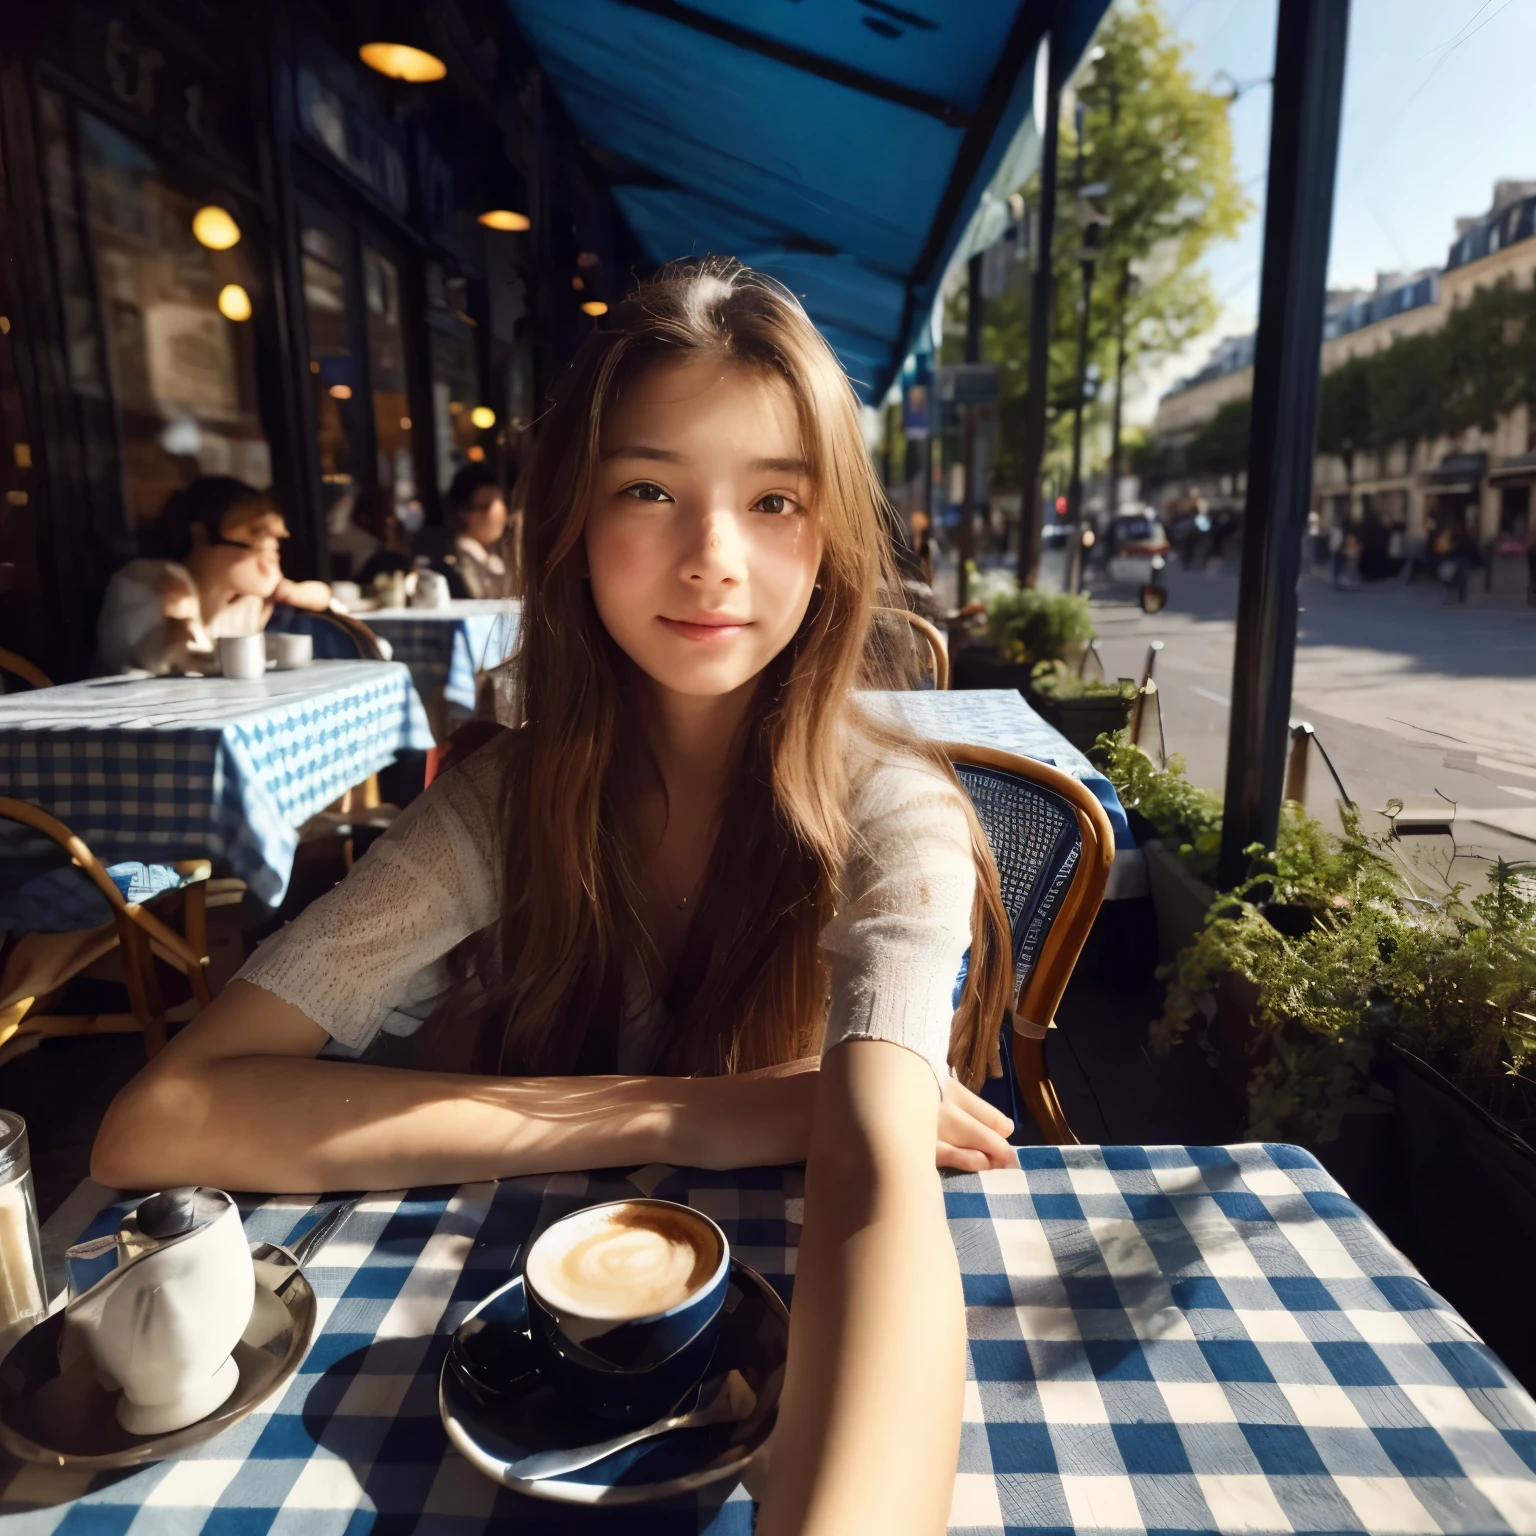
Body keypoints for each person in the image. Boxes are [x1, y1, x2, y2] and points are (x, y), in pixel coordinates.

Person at [92, 259, 1020, 1534]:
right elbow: (160, 1122)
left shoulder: (895, 814)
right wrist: (711, 1113)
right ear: (573, 523)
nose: (712, 560)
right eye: (650, 488)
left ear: (833, 541)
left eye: (773, 501)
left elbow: (878, 1186)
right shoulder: (504, 804)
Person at [95, 476, 331, 675]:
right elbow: (170, 669)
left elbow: (329, 600)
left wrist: (297, 593)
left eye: (275, 542)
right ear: (201, 535)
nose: (269, 551)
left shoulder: (247, 599)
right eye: (255, 535)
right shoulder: (149, 582)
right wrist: (178, 622)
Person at [441, 465, 517, 599]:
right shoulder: (459, 557)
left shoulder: (492, 552)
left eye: (504, 504)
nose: (503, 515)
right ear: (464, 512)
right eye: (489, 506)